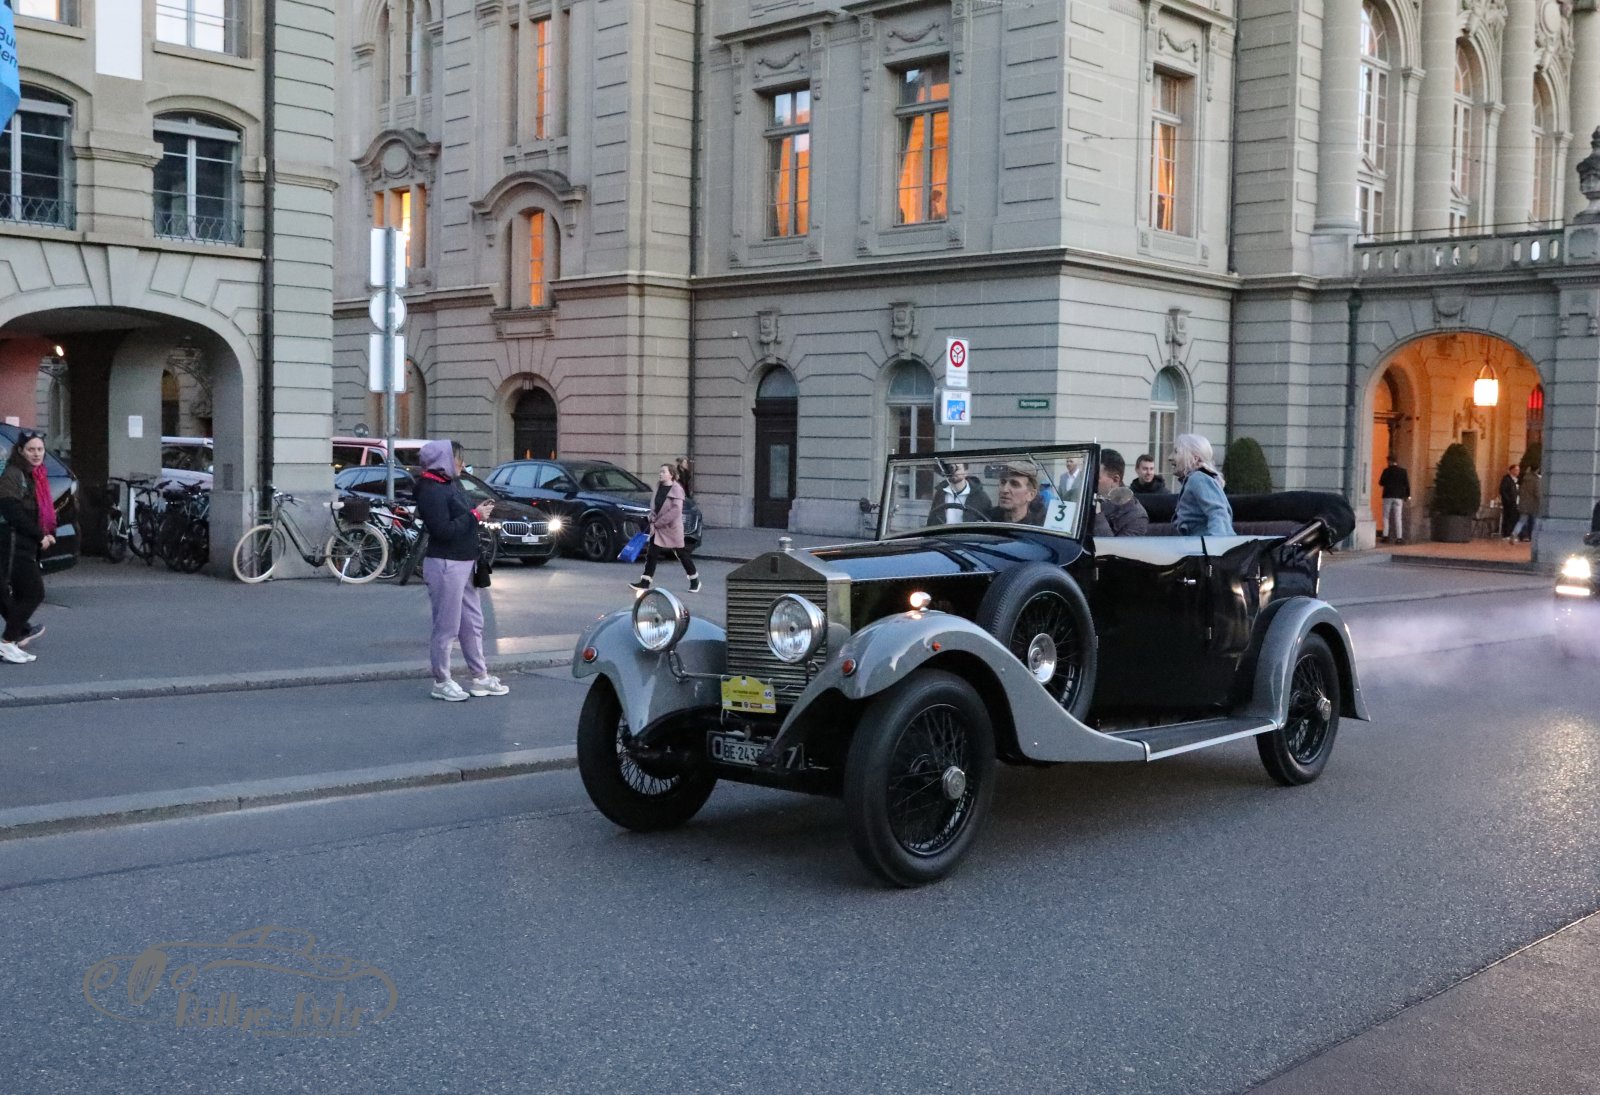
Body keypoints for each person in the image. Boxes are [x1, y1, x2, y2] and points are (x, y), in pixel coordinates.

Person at [416, 439, 509, 702]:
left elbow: (459, 519)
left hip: (465, 561)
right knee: (447, 626)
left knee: (472, 623)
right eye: (458, 458)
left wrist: (476, 514)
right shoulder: (431, 489)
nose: (462, 463)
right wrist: (475, 516)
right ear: (444, 460)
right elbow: (442, 530)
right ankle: (441, 680)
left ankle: (480, 677)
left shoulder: (449, 484)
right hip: (446, 563)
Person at [0, 433, 53, 664]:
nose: (36, 454)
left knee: (20, 593)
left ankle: (15, 637)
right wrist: (39, 535)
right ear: (21, 450)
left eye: (40, 449)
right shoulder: (14, 474)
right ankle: (7, 642)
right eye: (31, 449)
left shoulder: (31, 474)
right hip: (13, 542)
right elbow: (11, 510)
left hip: (22, 542)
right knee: (33, 592)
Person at [632, 463, 701, 593]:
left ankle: (694, 580)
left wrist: (658, 522)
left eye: (664, 472)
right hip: (658, 527)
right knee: (652, 554)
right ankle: (645, 582)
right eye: (660, 471)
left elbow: (675, 511)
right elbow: (655, 506)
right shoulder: (659, 486)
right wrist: (651, 516)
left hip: (671, 528)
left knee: (681, 554)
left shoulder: (677, 489)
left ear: (671, 474)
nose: (661, 474)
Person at [1170, 433, 1234, 536]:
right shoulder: (1195, 479)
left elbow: (1218, 512)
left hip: (1205, 544)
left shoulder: (1198, 478)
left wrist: (1215, 543)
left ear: (1195, 458)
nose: (1170, 457)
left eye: (1176, 452)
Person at [1092, 449, 1149, 538]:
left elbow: (1112, 546)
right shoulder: (1087, 499)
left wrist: (1097, 514)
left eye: (1096, 477)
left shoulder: (1136, 517)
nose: (1090, 481)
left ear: (1115, 480)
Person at [926, 462, 991, 525]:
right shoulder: (940, 494)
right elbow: (931, 520)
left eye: (957, 468)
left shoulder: (981, 497)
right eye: (950, 469)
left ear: (966, 472)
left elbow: (987, 523)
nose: (953, 472)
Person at [1377, 455, 1411, 544]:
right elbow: (1406, 484)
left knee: (1386, 516)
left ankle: (1385, 536)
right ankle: (1399, 538)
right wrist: (1408, 495)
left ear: (1390, 461)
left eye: (1388, 461)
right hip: (1399, 497)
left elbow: (1381, 482)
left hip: (1388, 496)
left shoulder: (1386, 471)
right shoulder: (1403, 471)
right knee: (1398, 517)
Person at [1512, 466, 1540, 542]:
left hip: (1523, 503)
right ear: (1537, 470)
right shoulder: (1536, 480)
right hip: (1533, 505)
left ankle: (1515, 533)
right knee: (1534, 521)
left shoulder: (1523, 479)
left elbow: (1519, 491)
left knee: (1521, 521)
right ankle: (1533, 537)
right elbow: (1537, 493)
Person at [1498, 464, 1520, 540]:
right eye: (1516, 470)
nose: (1518, 472)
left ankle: (1512, 534)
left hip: (1515, 502)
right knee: (1508, 518)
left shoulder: (1516, 480)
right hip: (1509, 503)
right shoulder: (1506, 479)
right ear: (1511, 470)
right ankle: (1506, 534)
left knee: (1514, 518)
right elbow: (1502, 490)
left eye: (1518, 470)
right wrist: (1508, 500)